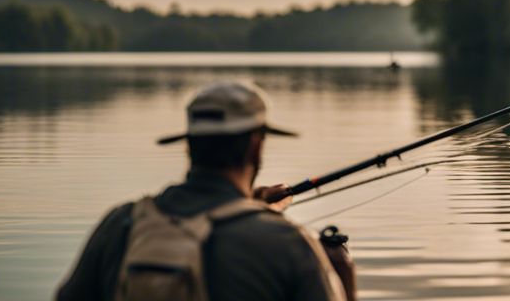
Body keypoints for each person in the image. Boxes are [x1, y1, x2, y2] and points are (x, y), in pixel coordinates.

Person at [56, 81, 355, 301]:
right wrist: (342, 277)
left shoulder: (120, 225)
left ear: (189, 144)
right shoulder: (289, 245)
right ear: (255, 145)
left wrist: (250, 208)